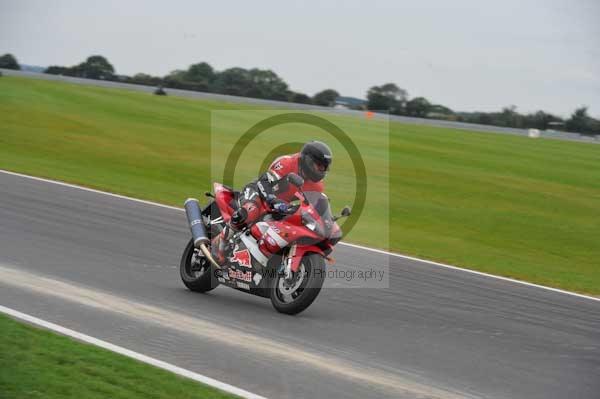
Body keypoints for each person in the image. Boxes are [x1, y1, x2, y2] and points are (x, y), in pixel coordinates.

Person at [212, 140, 333, 263]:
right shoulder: (287, 162)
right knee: (251, 210)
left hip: (282, 205)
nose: (321, 170)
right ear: (308, 160)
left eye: (324, 167)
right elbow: (263, 181)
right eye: (319, 165)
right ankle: (220, 241)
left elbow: (312, 206)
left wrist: (324, 220)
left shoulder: (317, 186)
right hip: (259, 191)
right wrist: (272, 199)